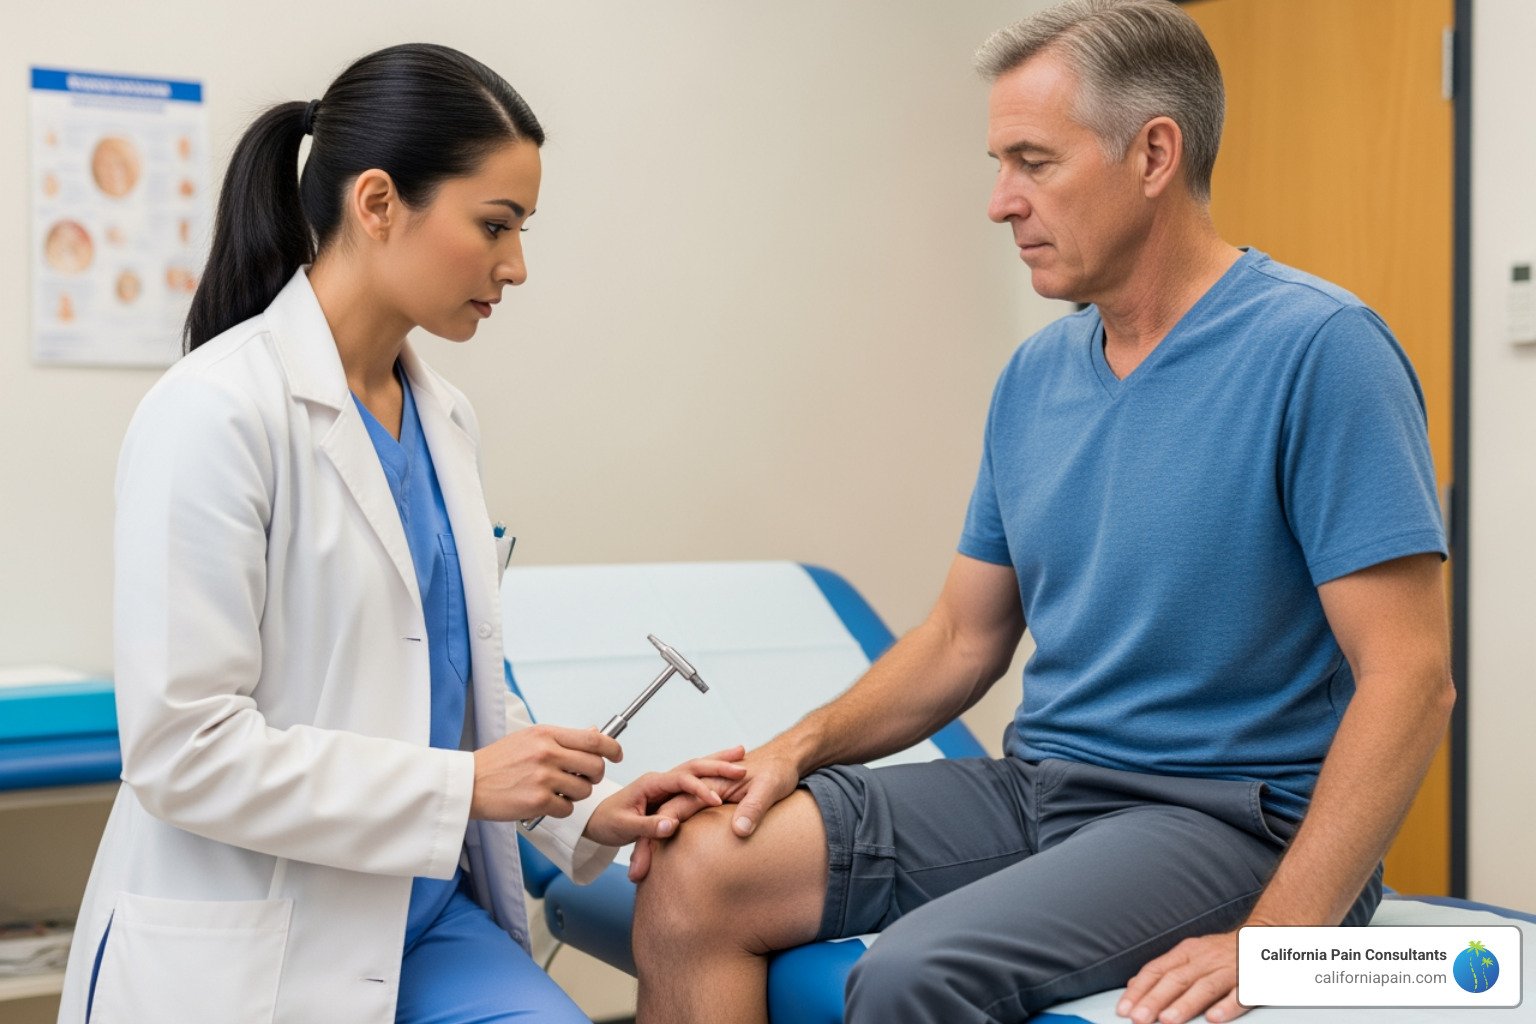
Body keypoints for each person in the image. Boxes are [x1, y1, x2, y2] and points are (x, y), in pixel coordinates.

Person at [629, 2, 1454, 1023]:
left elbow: (1411, 679)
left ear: (1154, 154)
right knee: (696, 867)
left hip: (1228, 822)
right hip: (1042, 790)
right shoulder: (1037, 376)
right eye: (998, 162)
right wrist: (793, 747)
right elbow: (961, 638)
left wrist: (1275, 943)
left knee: (909, 975)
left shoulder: (1320, 352)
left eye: (1033, 161)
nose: (999, 202)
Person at [57, 43, 744, 1024]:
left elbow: (448, 679)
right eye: (494, 225)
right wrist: (462, 785)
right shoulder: (215, 413)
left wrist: (587, 804)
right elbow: (183, 752)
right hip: (266, 933)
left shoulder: (444, 417)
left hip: (423, 915)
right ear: (377, 203)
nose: (515, 265)